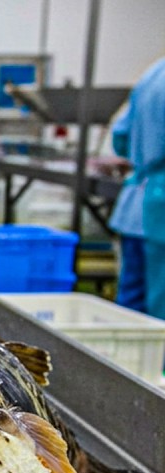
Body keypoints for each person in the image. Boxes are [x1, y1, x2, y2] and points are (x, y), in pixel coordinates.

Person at [109, 57, 165, 321]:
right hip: (159, 214)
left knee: (131, 314)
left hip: (135, 208)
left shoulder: (153, 73)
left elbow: (120, 136)